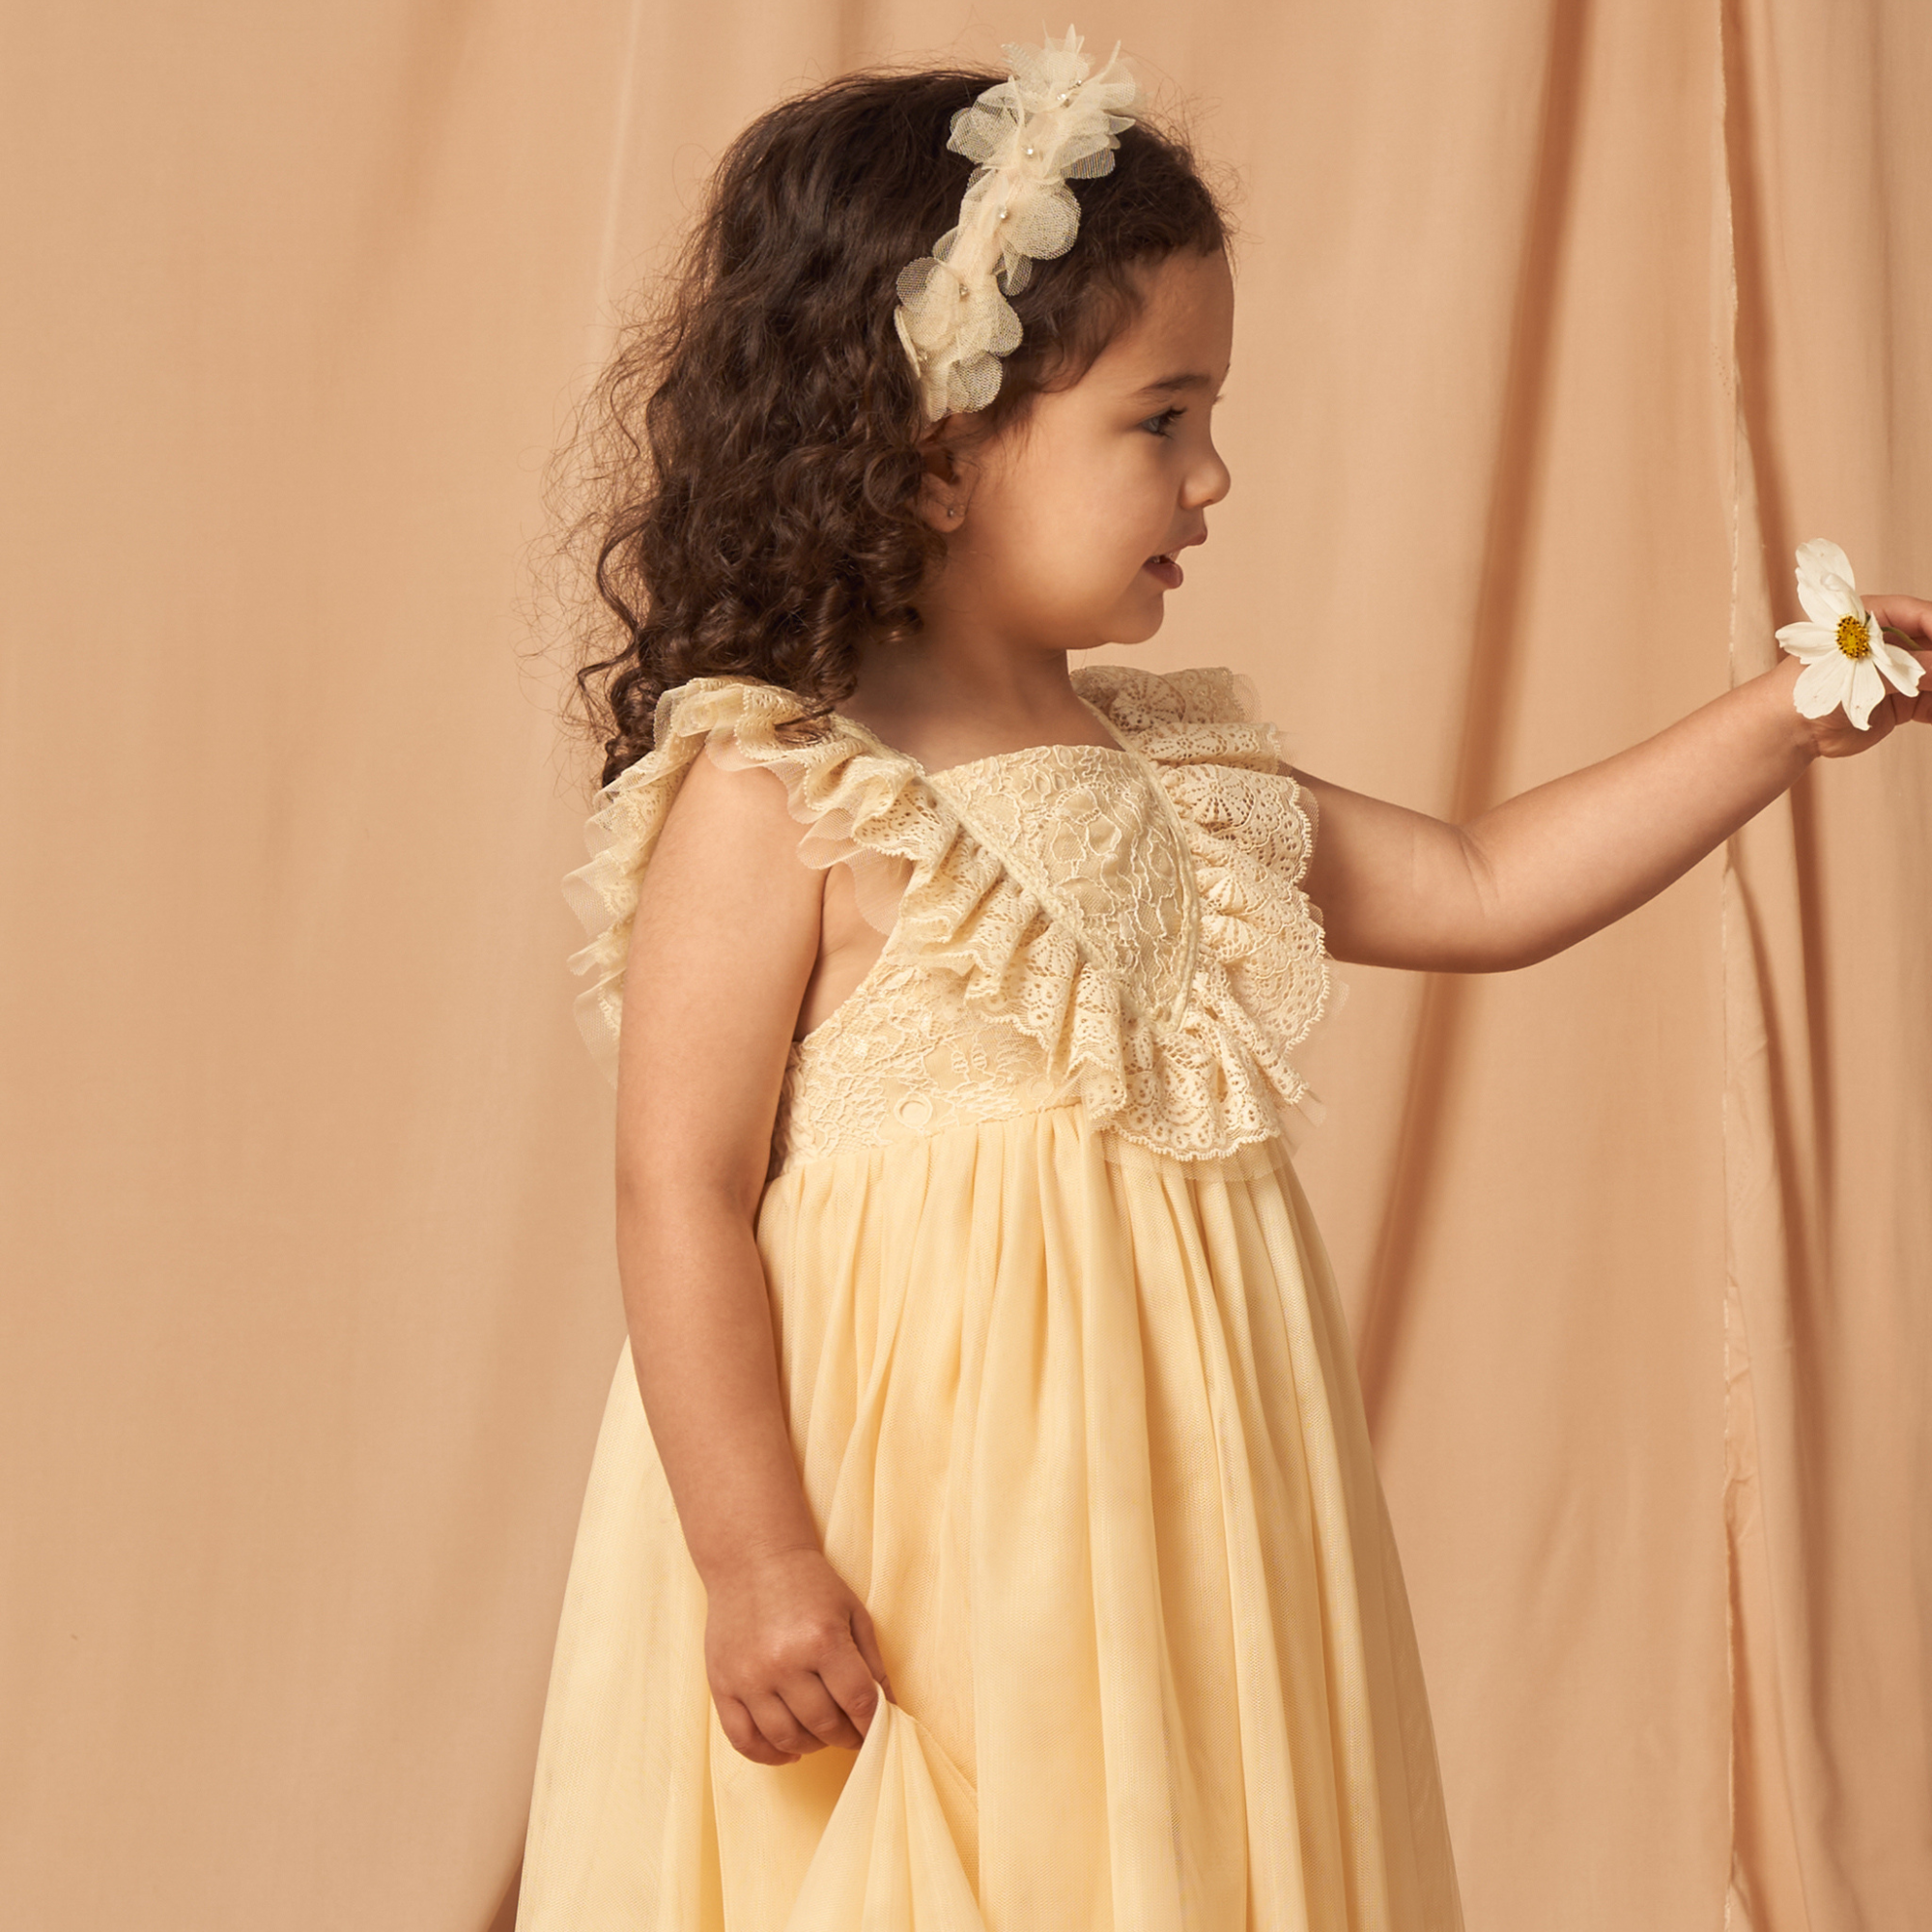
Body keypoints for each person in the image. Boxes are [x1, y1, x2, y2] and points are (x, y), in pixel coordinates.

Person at [515, 33, 1929, 1930]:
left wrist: (1784, 717)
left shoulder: (1172, 777)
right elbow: (674, 1183)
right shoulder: (782, 791)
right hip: (922, 1524)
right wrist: (755, 1550)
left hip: (1175, 1501)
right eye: (1158, 420)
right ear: (935, 449)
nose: (1213, 474)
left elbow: (1486, 878)